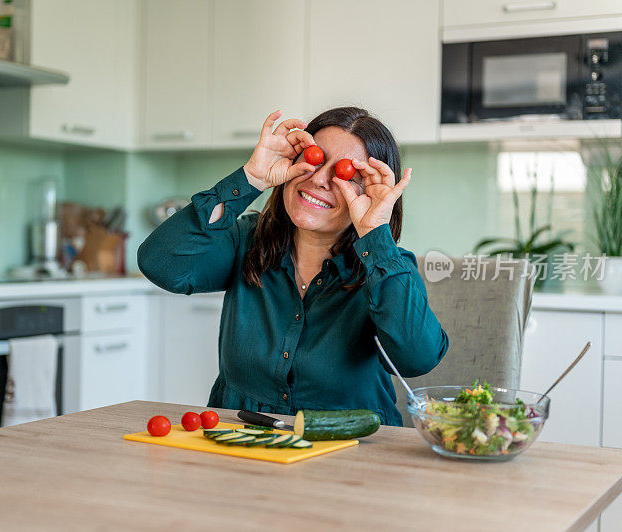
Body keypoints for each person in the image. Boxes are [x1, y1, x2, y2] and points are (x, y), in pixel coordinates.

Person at [138, 106, 449, 426]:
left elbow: (418, 359)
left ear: (370, 192)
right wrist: (250, 179)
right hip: (243, 446)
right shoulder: (246, 242)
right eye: (314, 159)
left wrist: (374, 234)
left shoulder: (384, 269)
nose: (319, 179)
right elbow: (160, 263)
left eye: (345, 175)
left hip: (351, 451)